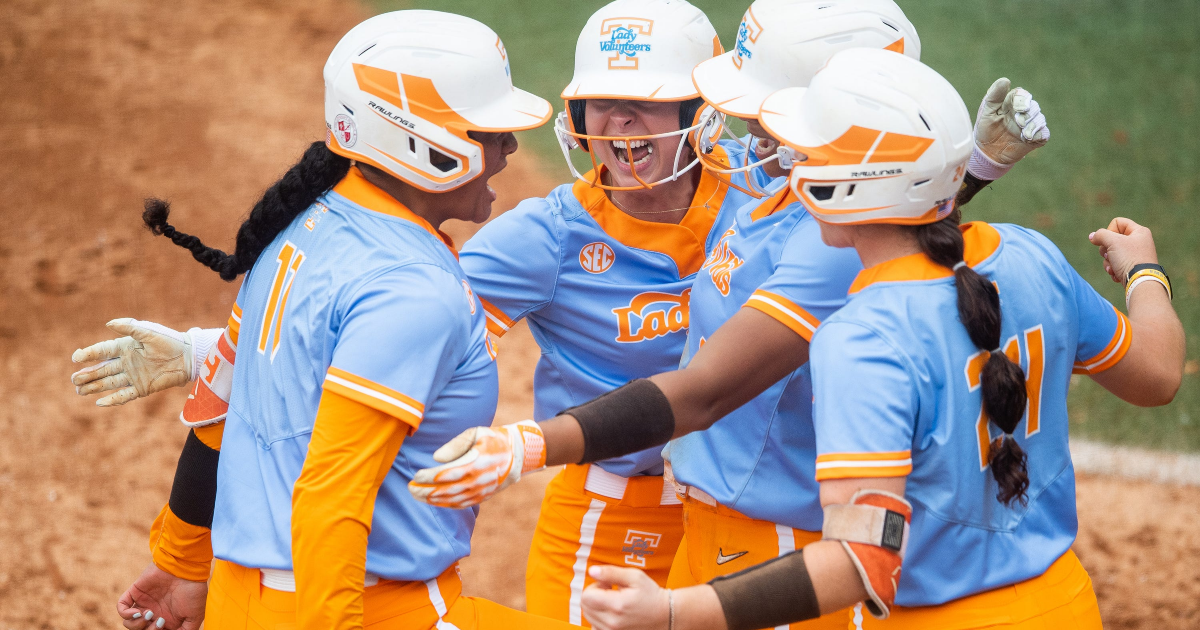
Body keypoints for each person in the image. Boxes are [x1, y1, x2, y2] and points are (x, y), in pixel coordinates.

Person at [421, 49, 1185, 630]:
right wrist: (1145, 272)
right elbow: (1155, 374)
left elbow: (863, 559)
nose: (788, 166)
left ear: (849, 186)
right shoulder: (1030, 258)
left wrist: (673, 612)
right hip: (1062, 603)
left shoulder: (861, 339)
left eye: (808, 156)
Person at [74, 1, 760, 626]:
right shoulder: (454, 272)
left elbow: (261, 386)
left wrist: (184, 558)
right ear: (422, 142)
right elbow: (334, 486)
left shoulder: (307, 232)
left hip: (263, 597)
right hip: (370, 598)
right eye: (489, 132)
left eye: (646, 102)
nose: (513, 152)